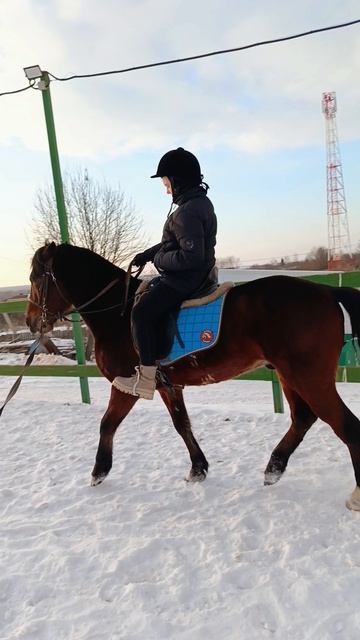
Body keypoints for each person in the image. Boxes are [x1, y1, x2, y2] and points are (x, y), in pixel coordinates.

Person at [112, 147, 217, 400]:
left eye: (166, 182)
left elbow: (189, 256)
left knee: (141, 312)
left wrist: (158, 259)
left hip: (187, 279)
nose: (166, 189)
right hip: (198, 274)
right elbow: (177, 242)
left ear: (178, 180)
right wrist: (148, 253)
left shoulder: (187, 211)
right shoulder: (197, 204)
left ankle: (147, 377)